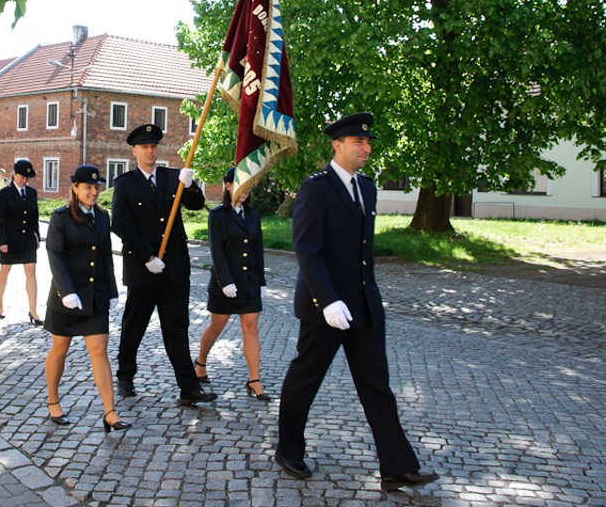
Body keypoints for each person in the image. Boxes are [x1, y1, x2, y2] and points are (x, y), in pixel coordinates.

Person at [275, 112, 438, 491]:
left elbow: (363, 250)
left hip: (363, 305)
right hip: (325, 308)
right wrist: (328, 301)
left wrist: (365, 299)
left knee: (377, 386)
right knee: (305, 379)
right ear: (337, 145)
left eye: (368, 143)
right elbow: (307, 250)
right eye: (358, 143)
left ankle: (397, 466)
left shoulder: (367, 187)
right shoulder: (316, 188)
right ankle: (288, 448)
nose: (366, 148)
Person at [110, 123, 215, 405]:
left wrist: (191, 185)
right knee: (135, 326)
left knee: (177, 328)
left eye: (153, 146)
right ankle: (125, 375)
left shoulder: (172, 178)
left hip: (173, 270)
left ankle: (188, 388)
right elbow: (120, 224)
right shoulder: (125, 184)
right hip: (143, 270)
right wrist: (146, 256)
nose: (150, 151)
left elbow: (196, 204)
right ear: (134, 151)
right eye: (144, 147)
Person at [44, 165, 130, 433]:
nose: (93, 191)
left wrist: (113, 291)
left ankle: (110, 412)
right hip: (66, 297)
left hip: (95, 297)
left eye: (96, 187)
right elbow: (55, 256)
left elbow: (105, 256)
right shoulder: (61, 218)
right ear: (75, 189)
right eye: (88, 187)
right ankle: (53, 400)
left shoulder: (102, 217)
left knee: (99, 351)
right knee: (60, 349)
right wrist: (66, 291)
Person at [194, 167, 270, 401]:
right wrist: (226, 281)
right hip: (224, 284)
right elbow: (216, 251)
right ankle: (200, 362)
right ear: (227, 186)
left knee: (251, 327)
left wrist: (262, 282)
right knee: (217, 326)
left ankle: (254, 380)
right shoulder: (217, 215)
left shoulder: (254, 215)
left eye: (248, 185)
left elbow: (257, 250)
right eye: (239, 184)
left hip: (249, 283)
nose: (245, 190)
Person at [0, 159, 42, 324]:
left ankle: (33, 311)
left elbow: (34, 216)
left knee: (31, 271)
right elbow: (0, 219)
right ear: (14, 174)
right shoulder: (5, 193)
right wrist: (3, 241)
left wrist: (36, 235)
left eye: (26, 178)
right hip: (10, 239)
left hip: (28, 239)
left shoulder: (31, 192)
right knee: (5, 270)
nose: (24, 180)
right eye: (22, 177)